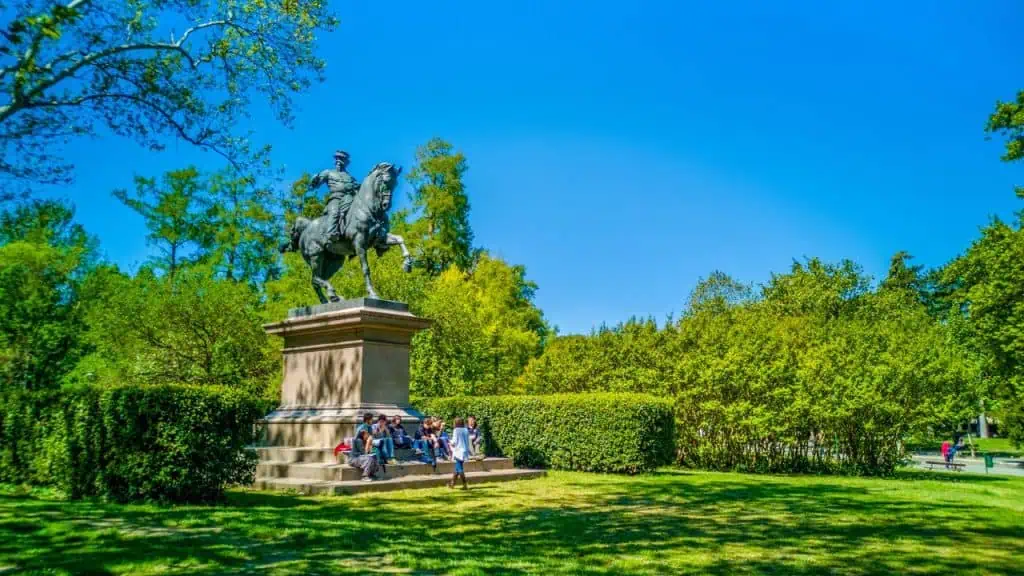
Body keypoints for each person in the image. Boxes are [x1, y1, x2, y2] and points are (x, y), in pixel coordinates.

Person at [309, 150, 361, 244]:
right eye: (337, 158)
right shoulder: (328, 173)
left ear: (346, 162)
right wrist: (314, 181)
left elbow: (357, 189)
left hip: (349, 199)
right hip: (336, 198)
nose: (339, 160)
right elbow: (315, 185)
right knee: (335, 212)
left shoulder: (349, 177)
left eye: (341, 158)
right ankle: (330, 234)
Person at [448, 417, 471, 489]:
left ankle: (465, 484)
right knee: (457, 468)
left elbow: (454, 442)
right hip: (465, 451)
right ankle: (452, 484)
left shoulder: (456, 430)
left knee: (459, 468)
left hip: (458, 451)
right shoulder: (466, 430)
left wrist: (449, 442)